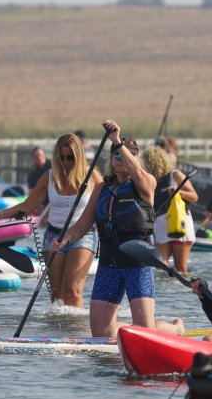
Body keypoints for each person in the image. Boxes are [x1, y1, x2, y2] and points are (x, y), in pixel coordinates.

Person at [53, 120, 184, 337]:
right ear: (111, 159)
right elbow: (83, 224)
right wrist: (65, 238)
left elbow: (139, 174)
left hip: (138, 263)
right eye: (116, 155)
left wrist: (116, 141)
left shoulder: (146, 183)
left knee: (145, 331)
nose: (121, 158)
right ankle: (124, 335)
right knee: (101, 334)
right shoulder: (102, 188)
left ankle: (175, 329)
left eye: (129, 155)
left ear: (136, 158)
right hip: (109, 263)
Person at [0, 133, 103, 308]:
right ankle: (57, 331)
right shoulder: (49, 177)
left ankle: (77, 332)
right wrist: (0, 214)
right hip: (54, 236)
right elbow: (27, 205)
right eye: (61, 158)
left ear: (79, 157)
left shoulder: (92, 176)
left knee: (72, 290)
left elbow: (106, 203)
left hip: (83, 235)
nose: (65, 162)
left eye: (70, 158)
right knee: (57, 294)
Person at [141, 145, 198, 275]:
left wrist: (179, 192)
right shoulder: (151, 180)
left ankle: (178, 294)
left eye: (146, 163)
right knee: (160, 267)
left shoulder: (174, 175)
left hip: (179, 223)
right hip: (161, 226)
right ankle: (164, 294)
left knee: (180, 269)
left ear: (153, 163)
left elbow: (194, 196)